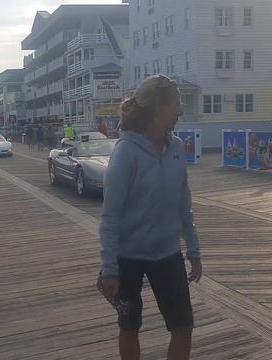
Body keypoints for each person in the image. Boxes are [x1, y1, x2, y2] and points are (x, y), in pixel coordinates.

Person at [98, 75, 202, 360]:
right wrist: (110, 269)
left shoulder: (177, 148)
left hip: (168, 255)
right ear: (157, 108)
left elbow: (184, 201)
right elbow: (110, 217)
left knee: (183, 327)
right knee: (130, 326)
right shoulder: (126, 153)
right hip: (127, 258)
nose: (180, 111)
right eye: (176, 104)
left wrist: (193, 249)